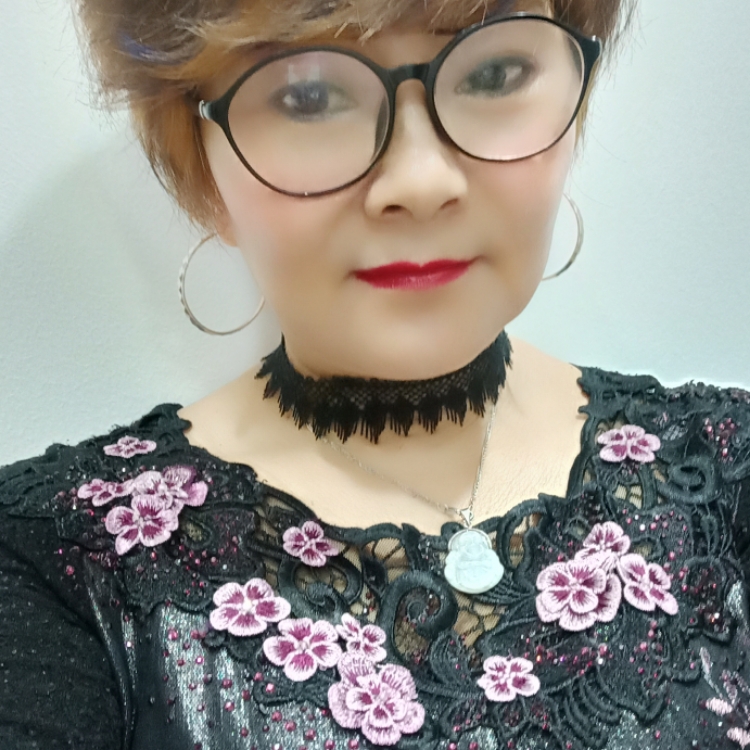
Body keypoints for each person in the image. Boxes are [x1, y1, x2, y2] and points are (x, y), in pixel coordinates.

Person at [1, 0, 749, 748]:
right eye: (308, 95)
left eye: (494, 72)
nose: (421, 181)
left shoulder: (725, 469)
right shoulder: (61, 566)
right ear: (200, 163)